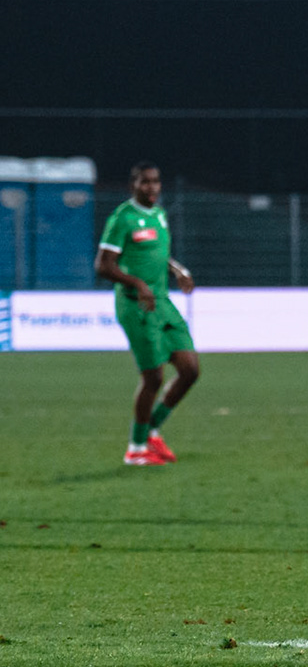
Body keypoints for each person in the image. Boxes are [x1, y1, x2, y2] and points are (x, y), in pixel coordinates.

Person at [95, 162, 200, 466]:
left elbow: (157, 253)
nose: (152, 187)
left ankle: (151, 428)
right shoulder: (122, 218)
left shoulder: (159, 215)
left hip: (162, 301)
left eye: (155, 182)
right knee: (153, 378)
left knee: (190, 370)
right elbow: (103, 265)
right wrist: (138, 283)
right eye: (145, 182)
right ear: (133, 185)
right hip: (136, 305)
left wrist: (176, 269)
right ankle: (136, 448)